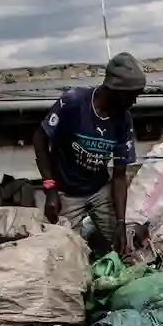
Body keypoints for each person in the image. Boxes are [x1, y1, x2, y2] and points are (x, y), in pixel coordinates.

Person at [33, 52, 146, 257]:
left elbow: (120, 176)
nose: (134, 102)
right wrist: (50, 188)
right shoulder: (73, 102)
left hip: (99, 189)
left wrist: (120, 222)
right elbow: (40, 139)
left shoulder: (123, 120)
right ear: (115, 90)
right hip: (67, 193)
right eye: (131, 96)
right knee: (64, 257)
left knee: (125, 249)